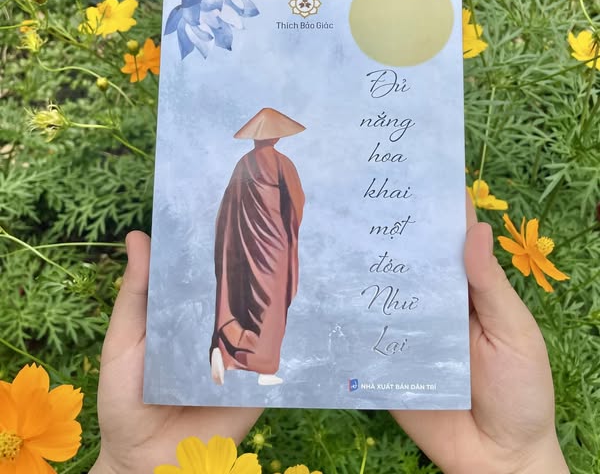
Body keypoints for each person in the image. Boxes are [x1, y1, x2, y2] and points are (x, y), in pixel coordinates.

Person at [89, 197, 569, 473]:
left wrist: (127, 466)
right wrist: (520, 461)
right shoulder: (258, 175)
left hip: (264, 250)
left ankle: (236, 355)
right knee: (260, 303)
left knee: (255, 304)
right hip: (268, 250)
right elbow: (282, 211)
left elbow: (272, 212)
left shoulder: (252, 174)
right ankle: (233, 354)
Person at [211, 107, 306, 387]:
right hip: (274, 245)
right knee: (272, 305)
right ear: (276, 137)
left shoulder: (243, 164)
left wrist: (236, 241)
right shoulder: (282, 163)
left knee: (245, 298)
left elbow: (229, 208)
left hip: (244, 243)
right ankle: (262, 367)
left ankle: (226, 355)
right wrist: (286, 232)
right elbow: (296, 203)